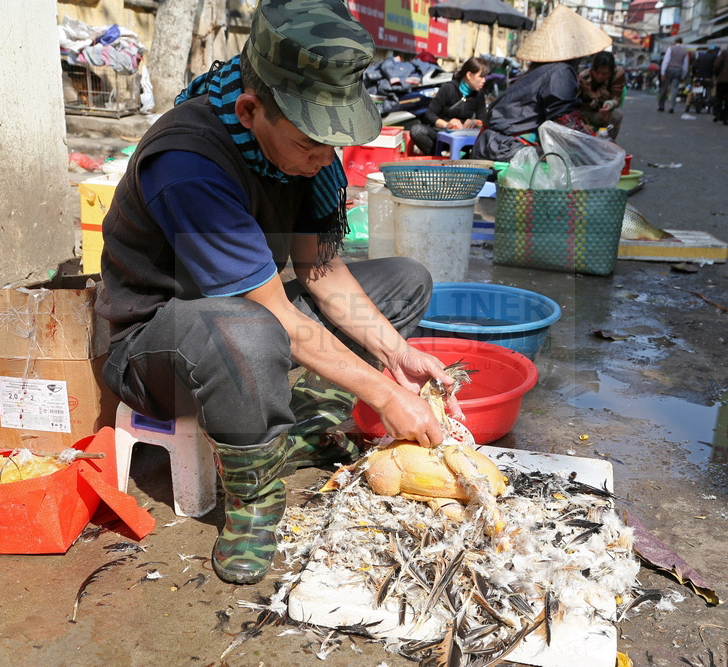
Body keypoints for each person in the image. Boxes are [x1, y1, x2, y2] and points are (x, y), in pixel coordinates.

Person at [95, 0, 459, 586]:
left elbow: (320, 272)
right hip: (157, 345)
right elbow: (274, 314)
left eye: (331, 146)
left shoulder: (307, 156)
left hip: (248, 318)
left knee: (403, 280)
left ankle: (306, 428)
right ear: (250, 110)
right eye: (310, 145)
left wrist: (397, 356)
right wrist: (385, 396)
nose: (323, 162)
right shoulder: (188, 164)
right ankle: (254, 499)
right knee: (249, 328)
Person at [471, 5, 611, 161]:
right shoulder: (561, 72)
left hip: (493, 145)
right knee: (572, 159)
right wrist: (601, 148)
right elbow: (566, 124)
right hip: (504, 148)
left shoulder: (543, 70)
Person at [408, 57, 488, 156]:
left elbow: (484, 119)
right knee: (417, 130)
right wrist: (447, 124)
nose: (484, 80)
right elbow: (429, 114)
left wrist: (474, 122)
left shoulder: (479, 95)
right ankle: (438, 158)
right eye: (481, 76)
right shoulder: (448, 88)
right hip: (442, 135)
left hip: (464, 138)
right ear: (469, 75)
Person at [578, 51, 625, 139]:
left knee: (617, 114)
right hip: (584, 114)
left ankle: (608, 143)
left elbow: (617, 98)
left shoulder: (618, 74)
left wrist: (610, 104)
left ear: (611, 71)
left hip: (603, 114)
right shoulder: (583, 77)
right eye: (597, 72)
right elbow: (572, 104)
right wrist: (582, 123)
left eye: (604, 74)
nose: (599, 76)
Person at [658, 37, 689, 113]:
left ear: (675, 42)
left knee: (664, 88)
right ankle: (672, 107)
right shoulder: (685, 52)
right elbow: (685, 65)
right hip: (678, 71)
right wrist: (683, 76)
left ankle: (661, 106)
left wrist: (663, 72)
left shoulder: (671, 49)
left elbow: (666, 61)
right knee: (674, 89)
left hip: (669, 70)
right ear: (681, 42)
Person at [685, 45, 717, 113]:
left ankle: (687, 105)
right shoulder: (714, 57)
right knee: (713, 88)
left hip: (698, 77)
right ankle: (713, 101)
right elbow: (716, 68)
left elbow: (694, 67)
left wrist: (694, 75)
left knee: (692, 91)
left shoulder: (700, 56)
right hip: (708, 78)